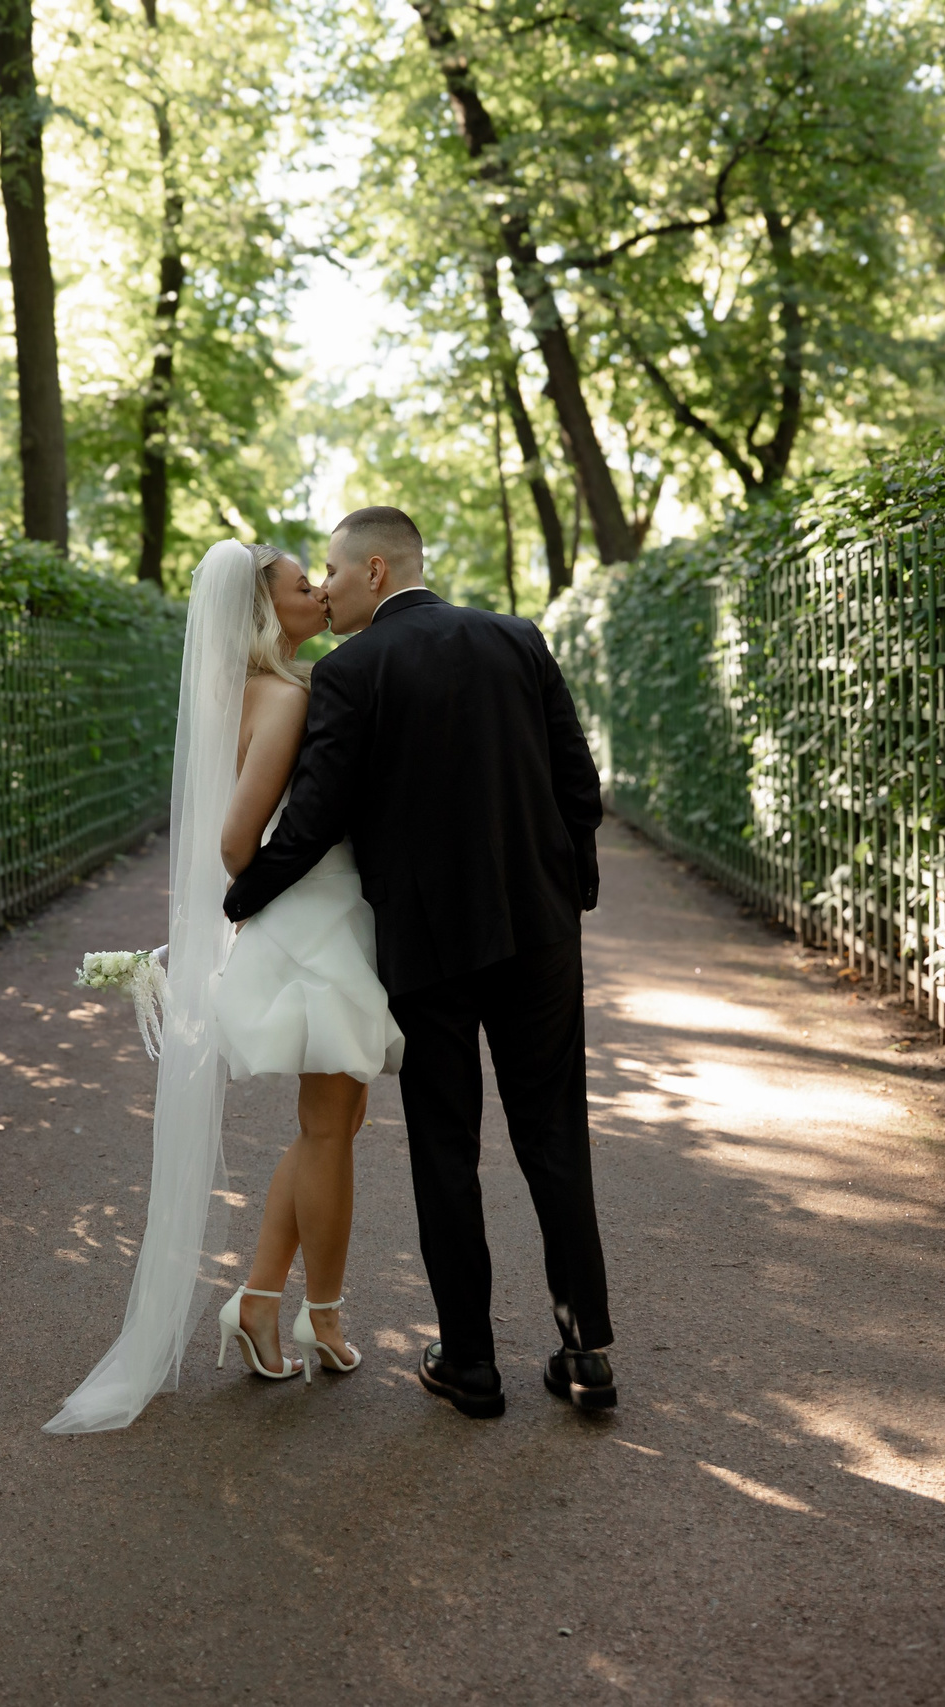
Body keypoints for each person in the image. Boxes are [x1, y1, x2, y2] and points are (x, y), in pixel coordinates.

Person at [223, 505, 615, 1419]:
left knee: (446, 1145)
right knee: (555, 1133)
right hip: (540, 934)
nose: (322, 587)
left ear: (374, 571)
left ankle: (471, 1365)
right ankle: (586, 1351)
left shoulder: (350, 671)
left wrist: (241, 899)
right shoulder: (519, 639)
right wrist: (570, 894)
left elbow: (315, 816)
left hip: (428, 945)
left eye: (331, 569)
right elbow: (577, 784)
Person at [44, 541, 402, 1434]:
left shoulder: (250, 689)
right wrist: (249, 906)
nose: (318, 590)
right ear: (261, 610)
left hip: (307, 918)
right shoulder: (283, 696)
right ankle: (326, 1316)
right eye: (298, 584)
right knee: (332, 1127)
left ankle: (258, 1300)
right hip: (312, 919)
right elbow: (238, 841)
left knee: (334, 1124)